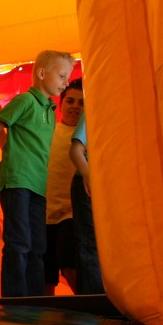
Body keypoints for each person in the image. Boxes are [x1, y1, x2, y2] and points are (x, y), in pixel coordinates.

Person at [0, 50, 75, 297]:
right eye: (62, 76)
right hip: (17, 181)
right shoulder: (25, 100)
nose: (65, 82)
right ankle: (15, 300)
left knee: (38, 246)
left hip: (37, 185)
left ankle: (35, 300)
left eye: (67, 77)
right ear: (42, 73)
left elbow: (18, 145)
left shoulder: (49, 111)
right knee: (19, 242)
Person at [44, 78, 83, 295]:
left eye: (81, 103)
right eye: (70, 101)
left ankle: (88, 304)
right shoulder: (48, 131)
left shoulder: (88, 135)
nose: (75, 106)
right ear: (61, 104)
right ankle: (45, 312)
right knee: (44, 272)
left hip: (72, 212)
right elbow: (21, 154)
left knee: (69, 262)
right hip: (44, 212)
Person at [69, 111, 105, 294]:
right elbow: (75, 150)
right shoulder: (95, 109)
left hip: (108, 183)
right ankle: (92, 296)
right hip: (90, 182)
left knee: (102, 243)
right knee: (90, 242)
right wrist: (87, 174)